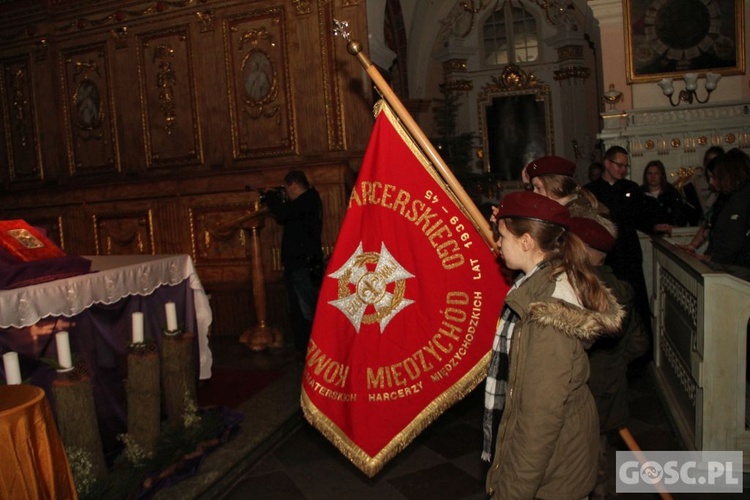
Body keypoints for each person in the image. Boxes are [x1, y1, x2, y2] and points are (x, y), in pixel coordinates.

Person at [483, 191, 624, 499]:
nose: (497, 241)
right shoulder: (548, 278)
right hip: (563, 462)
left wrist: (513, 493)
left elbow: (539, 420)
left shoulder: (547, 317)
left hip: (554, 474)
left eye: (503, 235)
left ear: (526, 242)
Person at [567, 212, 650, 499]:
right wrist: (613, 364)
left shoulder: (573, 291)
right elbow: (639, 342)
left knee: (575, 466)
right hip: (609, 389)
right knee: (599, 459)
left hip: (577, 395)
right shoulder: (621, 289)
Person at [585, 146, 665, 343]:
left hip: (629, 255)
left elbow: (641, 218)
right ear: (606, 163)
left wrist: (655, 226)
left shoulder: (631, 188)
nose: (623, 169)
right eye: (619, 165)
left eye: (625, 166)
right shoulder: (591, 191)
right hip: (605, 258)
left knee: (635, 302)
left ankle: (641, 350)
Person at [265, 170, 324, 353]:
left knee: (305, 311)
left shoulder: (307, 201)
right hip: (301, 264)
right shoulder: (309, 200)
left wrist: (271, 198)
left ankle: (311, 350)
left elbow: (284, 214)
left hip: (302, 265)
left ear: (295, 186)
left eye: (287, 189)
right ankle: (306, 349)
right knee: (299, 310)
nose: (287, 193)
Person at [684, 149, 750, 280]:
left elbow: (734, 239)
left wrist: (710, 258)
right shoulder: (728, 197)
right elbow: (709, 225)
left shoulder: (741, 198)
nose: (711, 182)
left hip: (738, 269)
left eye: (714, 177)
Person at [640, 159, 689, 227]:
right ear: (645, 175)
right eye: (650, 173)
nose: (653, 176)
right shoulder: (639, 194)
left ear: (662, 175)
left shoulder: (672, 193)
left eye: (656, 173)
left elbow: (679, 214)